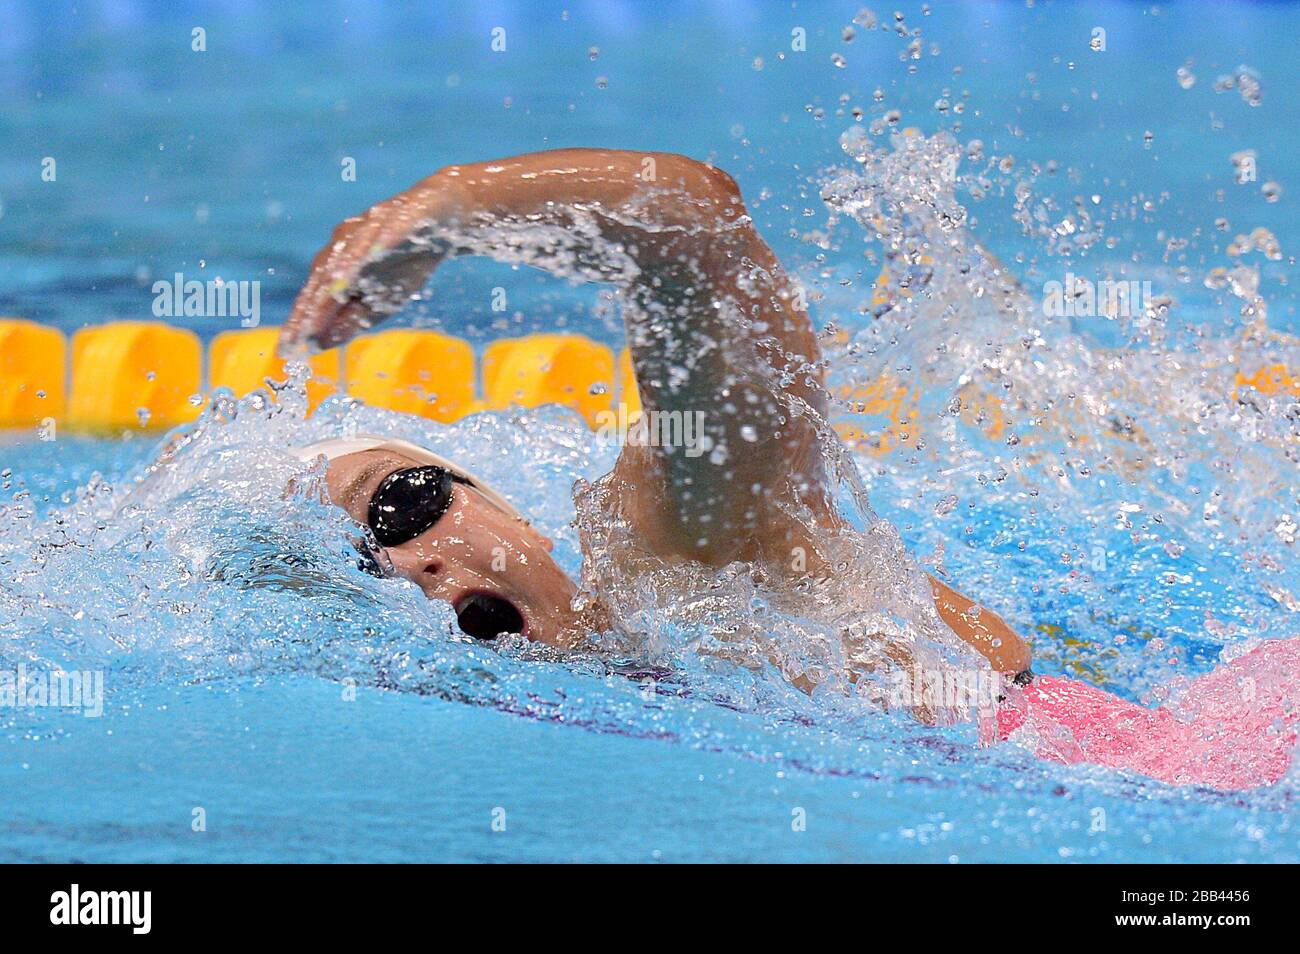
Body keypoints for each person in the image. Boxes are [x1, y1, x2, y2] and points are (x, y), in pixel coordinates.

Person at [280, 148, 1032, 684]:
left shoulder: (679, 557)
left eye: (400, 504)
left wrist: (456, 206)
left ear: (513, 515)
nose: (408, 561)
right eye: (356, 563)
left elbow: (698, 222)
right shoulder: (612, 681)